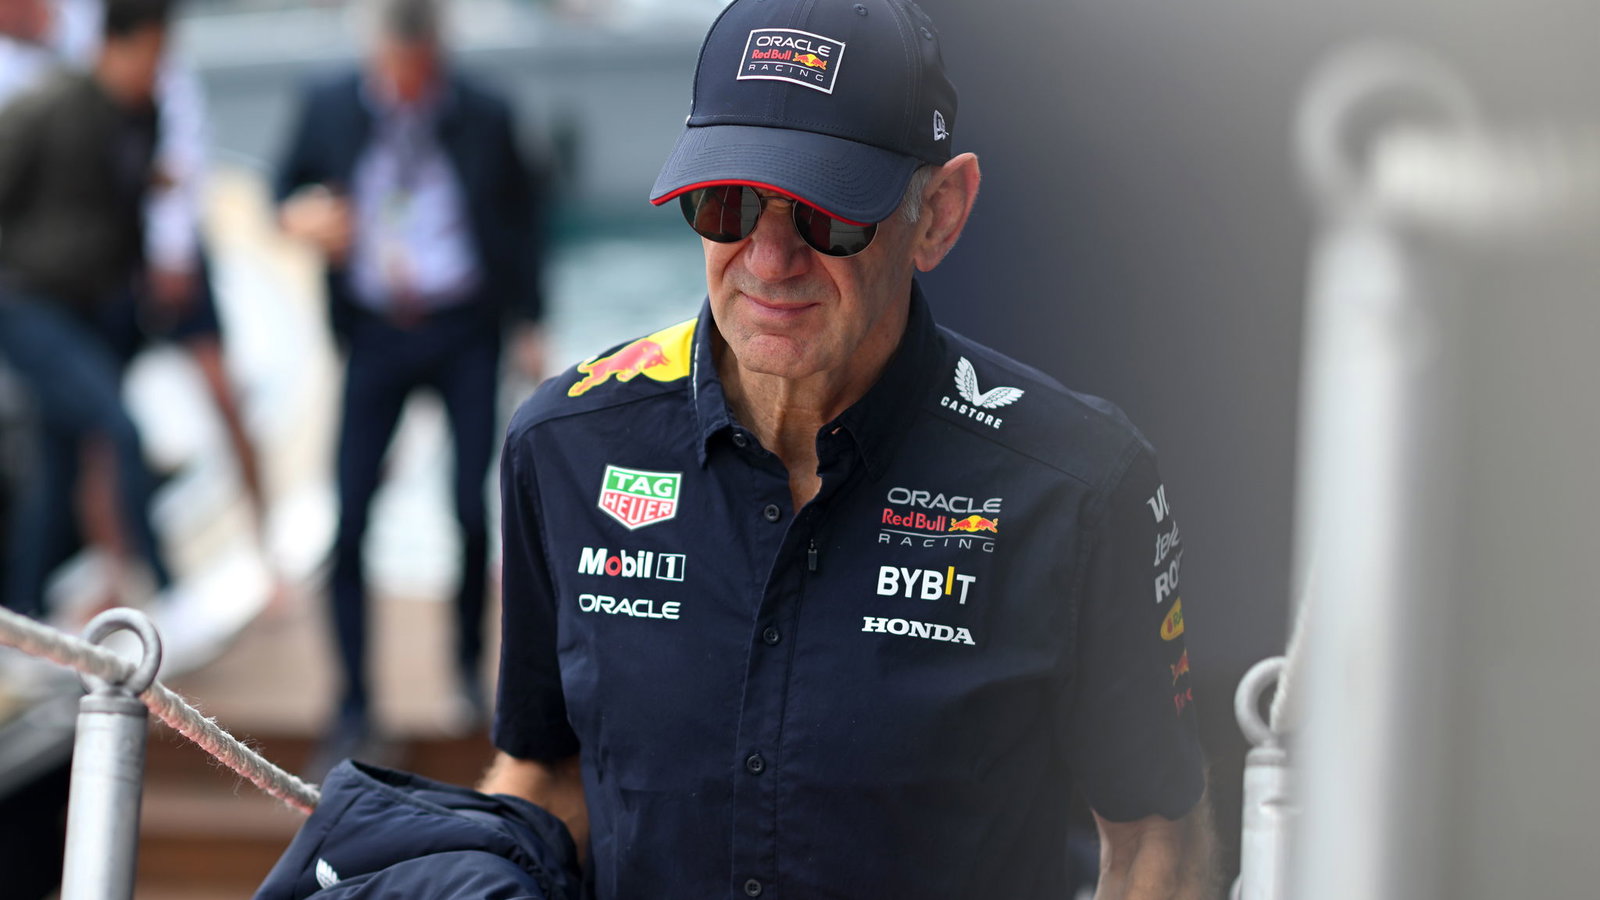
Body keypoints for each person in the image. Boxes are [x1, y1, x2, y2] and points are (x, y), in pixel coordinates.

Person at [481, 0, 1215, 897]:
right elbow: (547, 774)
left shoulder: (1080, 485)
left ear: (939, 214)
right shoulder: (563, 446)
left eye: (827, 215)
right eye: (727, 203)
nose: (770, 259)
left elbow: (1154, 842)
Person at [275, 0, 548, 765]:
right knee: (349, 516)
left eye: (417, 70)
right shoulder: (330, 103)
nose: (404, 85)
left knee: (469, 506)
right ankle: (352, 703)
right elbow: (283, 194)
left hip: (464, 326)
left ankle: (467, 672)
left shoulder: (485, 112)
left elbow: (525, 220)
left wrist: (532, 321)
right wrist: (305, 220)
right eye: (393, 70)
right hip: (374, 330)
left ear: (436, 54)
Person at [0, 0, 175, 619]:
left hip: (96, 310)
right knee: (119, 428)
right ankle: (164, 586)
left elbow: (126, 215)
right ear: (115, 46)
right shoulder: (47, 107)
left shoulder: (142, 115)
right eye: (148, 55)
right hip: (29, 305)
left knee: (56, 466)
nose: (154, 70)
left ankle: (22, 612)